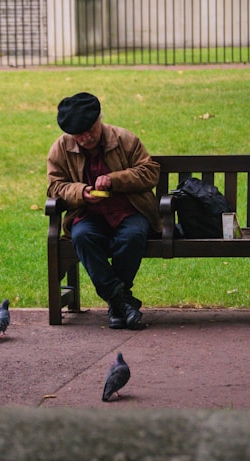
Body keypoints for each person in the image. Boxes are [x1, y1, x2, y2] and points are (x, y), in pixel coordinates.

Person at [47, 92, 162, 330]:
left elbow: (150, 172)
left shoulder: (124, 139)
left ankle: (117, 304)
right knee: (81, 237)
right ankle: (121, 302)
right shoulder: (60, 148)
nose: (87, 137)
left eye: (91, 130)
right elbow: (55, 186)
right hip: (88, 214)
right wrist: (81, 192)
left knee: (132, 236)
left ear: (99, 120)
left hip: (129, 211)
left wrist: (114, 179)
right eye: (80, 135)